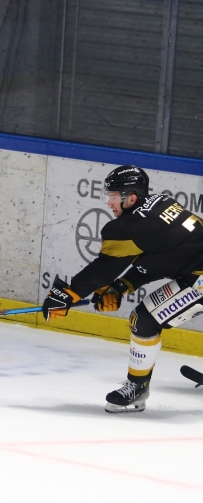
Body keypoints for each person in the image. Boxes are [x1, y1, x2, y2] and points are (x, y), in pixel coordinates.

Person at [42, 164, 203, 413]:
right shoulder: (161, 203)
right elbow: (164, 259)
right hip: (196, 269)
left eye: (114, 196)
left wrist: (69, 294)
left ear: (132, 197)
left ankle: (137, 389)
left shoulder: (128, 228)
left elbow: (104, 269)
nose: (109, 203)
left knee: (144, 320)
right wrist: (121, 286)